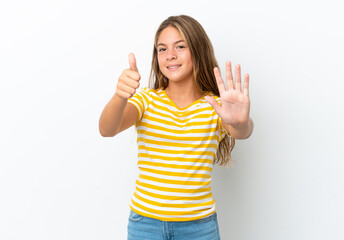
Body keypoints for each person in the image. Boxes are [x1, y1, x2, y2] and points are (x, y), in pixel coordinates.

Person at [99, 15, 253, 240]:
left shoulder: (215, 106)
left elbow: (242, 131)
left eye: (180, 46)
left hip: (199, 227)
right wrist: (120, 96)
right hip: (145, 224)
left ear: (198, 51)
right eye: (162, 49)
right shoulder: (147, 101)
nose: (170, 55)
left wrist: (241, 122)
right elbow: (107, 129)